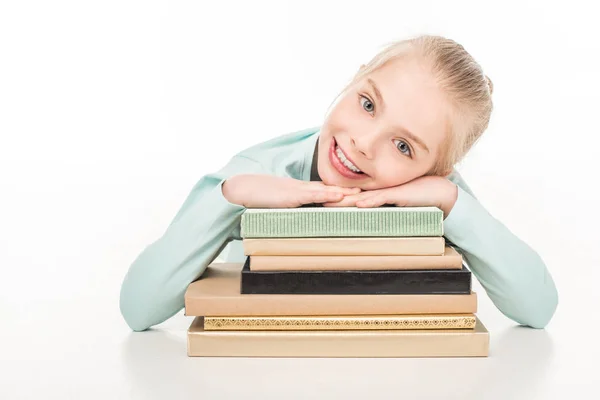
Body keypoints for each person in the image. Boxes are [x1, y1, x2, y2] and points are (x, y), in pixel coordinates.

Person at [119, 34, 558, 332]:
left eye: (404, 146)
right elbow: (138, 308)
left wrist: (451, 201)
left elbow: (537, 308)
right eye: (367, 103)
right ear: (355, 77)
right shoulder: (258, 171)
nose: (364, 143)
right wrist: (228, 197)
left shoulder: (438, 192)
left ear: (438, 169)